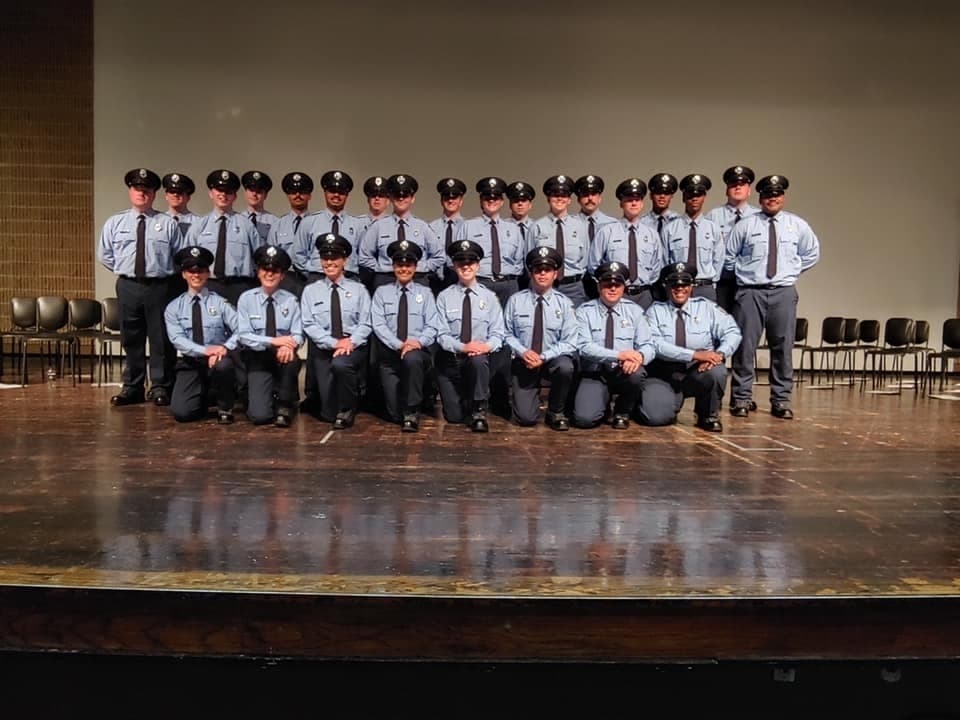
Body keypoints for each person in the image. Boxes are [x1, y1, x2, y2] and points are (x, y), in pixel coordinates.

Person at [725, 174, 820, 419]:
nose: (772, 199)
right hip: (750, 293)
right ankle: (741, 398)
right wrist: (745, 275)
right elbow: (728, 257)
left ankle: (781, 400)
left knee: (783, 347)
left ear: (783, 197)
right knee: (745, 347)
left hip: (783, 292)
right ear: (760, 198)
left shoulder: (797, 225)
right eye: (767, 195)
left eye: (776, 195)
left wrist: (790, 272)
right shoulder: (746, 224)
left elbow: (812, 253)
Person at [97, 168, 182, 407]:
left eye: (147, 190)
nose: (141, 193)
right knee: (131, 338)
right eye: (137, 189)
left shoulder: (167, 224)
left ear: (155, 194)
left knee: (160, 340)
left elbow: (178, 256)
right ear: (130, 191)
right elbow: (105, 254)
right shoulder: (116, 222)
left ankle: (160, 387)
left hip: (159, 286)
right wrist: (127, 270)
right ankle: (132, 387)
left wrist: (160, 272)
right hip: (129, 285)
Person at [638, 262, 742, 432]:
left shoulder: (706, 307)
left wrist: (720, 354)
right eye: (674, 285)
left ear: (691, 286)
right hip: (664, 374)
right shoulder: (655, 311)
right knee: (654, 417)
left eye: (685, 284)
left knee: (717, 371)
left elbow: (732, 332)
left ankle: (708, 414)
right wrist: (695, 355)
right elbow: (655, 344)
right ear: (666, 286)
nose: (680, 289)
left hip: (696, 372)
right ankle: (667, 402)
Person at [432, 240, 506, 432]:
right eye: (460, 263)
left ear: (477, 265)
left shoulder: (489, 297)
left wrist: (485, 347)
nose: (466, 267)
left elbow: (498, 334)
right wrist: (463, 347)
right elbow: (441, 334)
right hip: (452, 362)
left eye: (470, 262)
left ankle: (479, 409)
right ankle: (466, 399)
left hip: (477, 362)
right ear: (454, 266)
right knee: (454, 418)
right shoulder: (444, 297)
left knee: (479, 361)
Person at [300, 233, 373, 429]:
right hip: (325, 348)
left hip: (352, 347)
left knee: (341, 365)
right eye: (325, 258)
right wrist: (334, 343)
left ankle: (348, 409)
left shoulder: (359, 289)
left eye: (335, 258)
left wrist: (350, 342)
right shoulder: (311, 290)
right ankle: (336, 404)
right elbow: (308, 324)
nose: (330, 262)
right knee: (327, 414)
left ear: (344, 260)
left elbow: (366, 323)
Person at [573, 261, 656, 429]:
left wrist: (639, 357)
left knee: (636, 374)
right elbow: (583, 346)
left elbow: (649, 345)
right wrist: (619, 355)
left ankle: (622, 412)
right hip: (594, 372)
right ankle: (601, 406)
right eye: (607, 284)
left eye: (617, 285)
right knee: (584, 420)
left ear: (623, 287)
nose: (612, 289)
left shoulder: (635, 311)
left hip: (623, 371)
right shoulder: (584, 311)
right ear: (598, 286)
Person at [502, 246, 577, 430]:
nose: (542, 274)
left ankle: (555, 411)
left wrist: (543, 357)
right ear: (531, 273)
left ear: (555, 274)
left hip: (551, 360)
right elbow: (505, 333)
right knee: (526, 419)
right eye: (537, 270)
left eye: (547, 270)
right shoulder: (516, 301)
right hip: (524, 360)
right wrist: (523, 351)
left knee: (566, 366)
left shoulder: (565, 304)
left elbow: (570, 341)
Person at [163, 246, 238, 424]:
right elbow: (177, 340)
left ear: (207, 273)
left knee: (224, 366)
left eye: (201, 271)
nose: (196, 275)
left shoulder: (220, 303)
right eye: (191, 271)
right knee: (182, 414)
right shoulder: (174, 307)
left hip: (217, 360)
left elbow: (241, 329)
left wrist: (224, 348)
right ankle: (204, 397)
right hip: (190, 362)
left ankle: (224, 407)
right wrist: (205, 350)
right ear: (184, 274)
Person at [371, 240, 439, 432]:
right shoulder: (381, 293)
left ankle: (412, 411)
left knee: (411, 359)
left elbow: (432, 325)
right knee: (394, 415)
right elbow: (379, 325)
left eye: (408, 265)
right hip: (390, 355)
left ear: (415, 267)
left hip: (417, 353)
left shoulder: (425, 294)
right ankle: (405, 408)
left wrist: (417, 342)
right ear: (393, 266)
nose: (404, 269)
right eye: (399, 265)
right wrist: (399, 345)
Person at [236, 245, 303, 427]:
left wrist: (288, 345)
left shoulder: (291, 300)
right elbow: (243, 335)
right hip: (257, 357)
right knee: (260, 416)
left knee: (291, 359)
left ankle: (285, 404)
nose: (270, 274)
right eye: (266, 269)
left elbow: (298, 334)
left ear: (282, 275)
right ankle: (265, 394)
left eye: (275, 271)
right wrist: (273, 341)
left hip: (282, 356)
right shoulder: (246, 299)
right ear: (258, 272)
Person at [185, 169, 262, 306]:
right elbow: (188, 261)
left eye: (228, 192)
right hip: (208, 285)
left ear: (235, 196)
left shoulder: (246, 225)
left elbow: (259, 257)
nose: (223, 195)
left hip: (240, 286)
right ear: (211, 193)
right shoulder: (199, 226)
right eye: (219, 190)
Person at [588, 177, 664, 310]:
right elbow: (594, 266)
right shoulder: (606, 232)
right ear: (621, 203)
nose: (633, 203)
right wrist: (610, 287)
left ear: (642, 203)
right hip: (617, 295)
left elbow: (656, 268)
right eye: (629, 200)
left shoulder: (652, 235)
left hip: (644, 295)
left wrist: (644, 283)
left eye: (637, 200)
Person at [358, 173, 444, 290]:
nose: (401, 198)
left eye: (405, 195)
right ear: (391, 197)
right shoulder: (378, 226)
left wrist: (422, 267)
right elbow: (364, 256)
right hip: (386, 280)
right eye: (397, 195)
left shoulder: (422, 227)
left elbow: (439, 256)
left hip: (417, 280)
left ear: (412, 199)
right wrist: (381, 267)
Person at [661, 174, 724, 302]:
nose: (694, 199)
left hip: (705, 288)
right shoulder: (670, 229)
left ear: (704, 198)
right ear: (683, 198)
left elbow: (719, 261)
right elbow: (664, 262)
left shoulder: (713, 229)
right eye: (690, 195)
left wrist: (710, 283)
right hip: (678, 288)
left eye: (698, 195)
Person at [529, 175, 590, 306]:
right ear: (548, 199)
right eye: (555, 195)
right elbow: (528, 261)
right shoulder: (537, 226)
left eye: (564, 195)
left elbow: (585, 259)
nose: (559, 199)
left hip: (573, 288)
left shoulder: (580, 226)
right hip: (544, 288)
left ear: (569, 200)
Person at [705, 165, 759, 313]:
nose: (737, 188)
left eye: (742, 185)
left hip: (749, 284)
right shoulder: (713, 216)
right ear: (726, 190)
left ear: (749, 190)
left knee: (745, 330)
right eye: (733, 185)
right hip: (722, 282)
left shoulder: (759, 217)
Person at [298, 170, 366, 282]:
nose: (336, 195)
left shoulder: (358, 225)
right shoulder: (309, 222)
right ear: (325, 192)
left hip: (349, 279)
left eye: (341, 192)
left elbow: (363, 257)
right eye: (332, 191)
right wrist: (313, 273)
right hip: (317, 277)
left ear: (347, 195)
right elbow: (298, 255)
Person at [267, 171, 314, 297]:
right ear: (288, 195)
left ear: (310, 196)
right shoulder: (278, 225)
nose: (297, 195)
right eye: (293, 192)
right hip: (286, 280)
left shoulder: (318, 223)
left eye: (302, 191)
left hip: (311, 279)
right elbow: (272, 256)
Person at [429, 177, 467, 293]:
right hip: (435, 281)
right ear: (441, 201)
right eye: (447, 198)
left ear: (461, 201)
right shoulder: (430, 227)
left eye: (454, 197)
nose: (450, 201)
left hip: (459, 279)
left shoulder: (468, 227)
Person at [241, 170, 280, 245]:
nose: (254, 194)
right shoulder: (237, 220)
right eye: (251, 190)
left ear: (265, 195)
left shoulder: (275, 222)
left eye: (259, 191)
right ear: (245, 192)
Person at [640, 173, 681, 244]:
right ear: (651, 196)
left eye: (666, 193)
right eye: (658, 192)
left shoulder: (679, 223)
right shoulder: (641, 223)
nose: (662, 196)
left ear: (671, 196)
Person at [162, 172, 200, 238]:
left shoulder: (198, 223)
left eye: (180, 192)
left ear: (188, 197)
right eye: (172, 191)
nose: (175, 194)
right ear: (166, 196)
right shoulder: (159, 222)